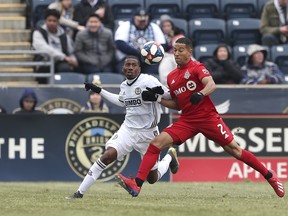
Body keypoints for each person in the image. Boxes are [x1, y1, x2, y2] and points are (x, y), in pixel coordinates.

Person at [116, 37, 285, 198]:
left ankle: (270, 177)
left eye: (180, 50)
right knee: (155, 144)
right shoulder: (172, 76)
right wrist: (158, 99)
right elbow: (178, 104)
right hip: (187, 120)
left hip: (207, 118)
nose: (176, 53)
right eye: (174, 50)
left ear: (189, 52)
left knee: (235, 150)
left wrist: (201, 93)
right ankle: (136, 184)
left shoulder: (197, 67)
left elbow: (211, 84)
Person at [66, 55, 179, 199]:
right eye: (128, 65)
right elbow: (121, 101)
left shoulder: (149, 80)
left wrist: (158, 94)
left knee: (152, 178)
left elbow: (170, 96)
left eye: (133, 65)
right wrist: (99, 90)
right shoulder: (124, 85)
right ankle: (79, 193)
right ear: (123, 68)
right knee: (108, 155)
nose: (130, 68)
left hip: (149, 134)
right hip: (129, 129)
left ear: (139, 68)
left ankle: (169, 156)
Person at [114, 8, 166, 75]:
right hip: (130, 56)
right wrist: (140, 53)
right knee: (128, 68)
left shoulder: (154, 26)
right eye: (140, 21)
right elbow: (120, 43)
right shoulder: (126, 25)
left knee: (153, 73)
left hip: (150, 57)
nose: (142, 23)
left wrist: (149, 53)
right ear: (134, 18)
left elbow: (162, 45)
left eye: (144, 21)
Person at [32, 9, 78, 83]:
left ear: (58, 22)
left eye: (54, 21)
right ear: (45, 21)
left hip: (61, 62)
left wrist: (73, 60)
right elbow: (44, 49)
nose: (51, 23)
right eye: (49, 20)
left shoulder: (64, 35)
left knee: (67, 68)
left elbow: (71, 51)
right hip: (45, 61)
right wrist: (64, 57)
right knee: (44, 70)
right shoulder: (38, 33)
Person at [158, 15, 185, 87]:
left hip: (180, 55)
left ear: (172, 26)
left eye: (168, 25)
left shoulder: (179, 33)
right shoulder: (159, 36)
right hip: (167, 57)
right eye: (164, 26)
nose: (166, 28)